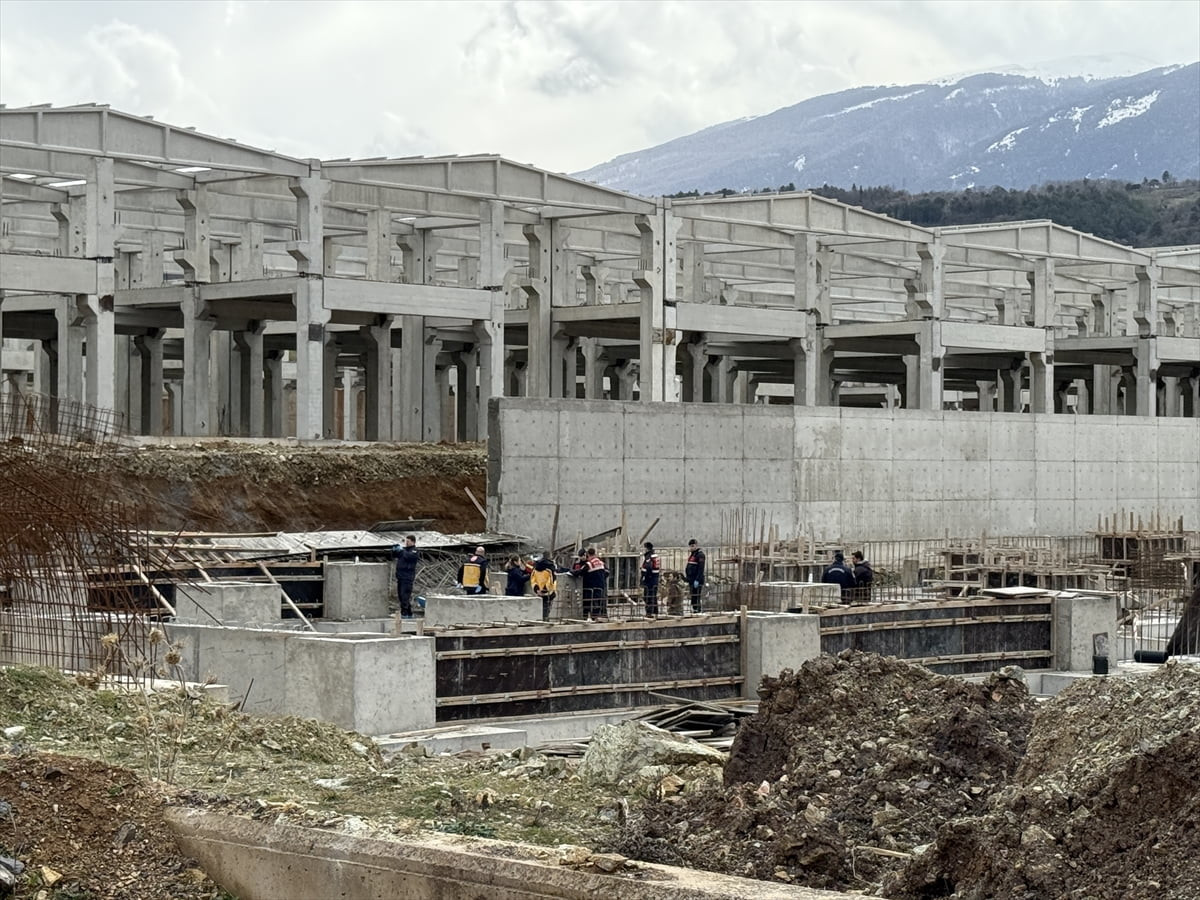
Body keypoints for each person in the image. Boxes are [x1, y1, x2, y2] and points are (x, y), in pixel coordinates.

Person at [391, 534, 420, 618]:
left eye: (408, 541)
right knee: (401, 596)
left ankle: (404, 614)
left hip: (407, 577)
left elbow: (409, 557)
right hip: (400, 577)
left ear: (413, 542)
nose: (406, 543)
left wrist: (402, 551)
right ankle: (409, 613)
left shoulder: (414, 551)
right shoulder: (404, 550)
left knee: (405, 596)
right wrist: (394, 550)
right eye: (405, 541)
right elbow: (395, 556)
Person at [579, 547, 608, 619]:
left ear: (588, 554)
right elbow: (607, 572)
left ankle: (585, 617)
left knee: (587, 603)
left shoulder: (589, 564)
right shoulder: (601, 563)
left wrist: (570, 572)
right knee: (598, 603)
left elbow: (579, 572)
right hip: (601, 586)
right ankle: (596, 617)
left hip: (590, 587)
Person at [530, 551, 559, 620]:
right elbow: (551, 581)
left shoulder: (535, 569)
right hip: (549, 592)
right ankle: (545, 620)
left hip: (539, 592)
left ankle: (542, 619)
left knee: (541, 608)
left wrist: (537, 589)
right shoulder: (550, 568)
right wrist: (544, 590)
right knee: (547, 608)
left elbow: (533, 580)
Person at [685, 539, 706, 613]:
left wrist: (697, 579)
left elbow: (701, 569)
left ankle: (697, 610)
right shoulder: (692, 554)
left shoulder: (700, 555)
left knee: (697, 596)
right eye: (690, 546)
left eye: (693, 546)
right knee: (693, 596)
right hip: (691, 580)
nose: (691, 548)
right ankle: (694, 610)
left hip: (696, 580)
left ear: (696, 545)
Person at [641, 541, 662, 617]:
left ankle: (649, 612)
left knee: (648, 596)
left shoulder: (649, 557)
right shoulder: (655, 556)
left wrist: (645, 577)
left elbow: (648, 567)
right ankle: (655, 611)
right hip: (655, 578)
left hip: (650, 579)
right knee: (653, 595)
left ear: (647, 548)